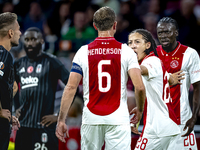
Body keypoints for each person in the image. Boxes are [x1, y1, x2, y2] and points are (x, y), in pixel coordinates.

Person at [56, 6, 146, 150]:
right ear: (115, 25)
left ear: (94, 26)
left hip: (92, 118)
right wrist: (140, 110)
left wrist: (61, 119)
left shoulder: (83, 52)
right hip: (118, 118)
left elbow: (71, 87)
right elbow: (140, 87)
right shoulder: (127, 52)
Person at [14, 27, 70, 150]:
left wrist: (59, 115)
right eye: (27, 39)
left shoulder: (52, 62)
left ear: (42, 41)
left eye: (33, 39)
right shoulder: (18, 64)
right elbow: (10, 87)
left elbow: (73, 87)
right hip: (23, 128)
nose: (29, 43)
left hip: (45, 128)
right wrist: (16, 107)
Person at [128, 29, 184, 149]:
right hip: (163, 127)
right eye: (130, 42)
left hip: (158, 128)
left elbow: (141, 70)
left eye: (137, 42)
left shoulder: (151, 61)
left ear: (148, 45)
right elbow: (163, 77)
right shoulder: (155, 62)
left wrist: (122, 62)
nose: (133, 46)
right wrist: (170, 78)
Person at [156, 17, 200, 149]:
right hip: (157, 122)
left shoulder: (190, 54)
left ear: (176, 32)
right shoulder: (152, 54)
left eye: (167, 32)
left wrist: (194, 116)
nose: (163, 36)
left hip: (182, 121)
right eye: (160, 33)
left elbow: (198, 87)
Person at [0, 12, 21, 150]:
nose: (21, 33)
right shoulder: (3, 55)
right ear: (11, 33)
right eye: (18, 29)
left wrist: (6, 111)